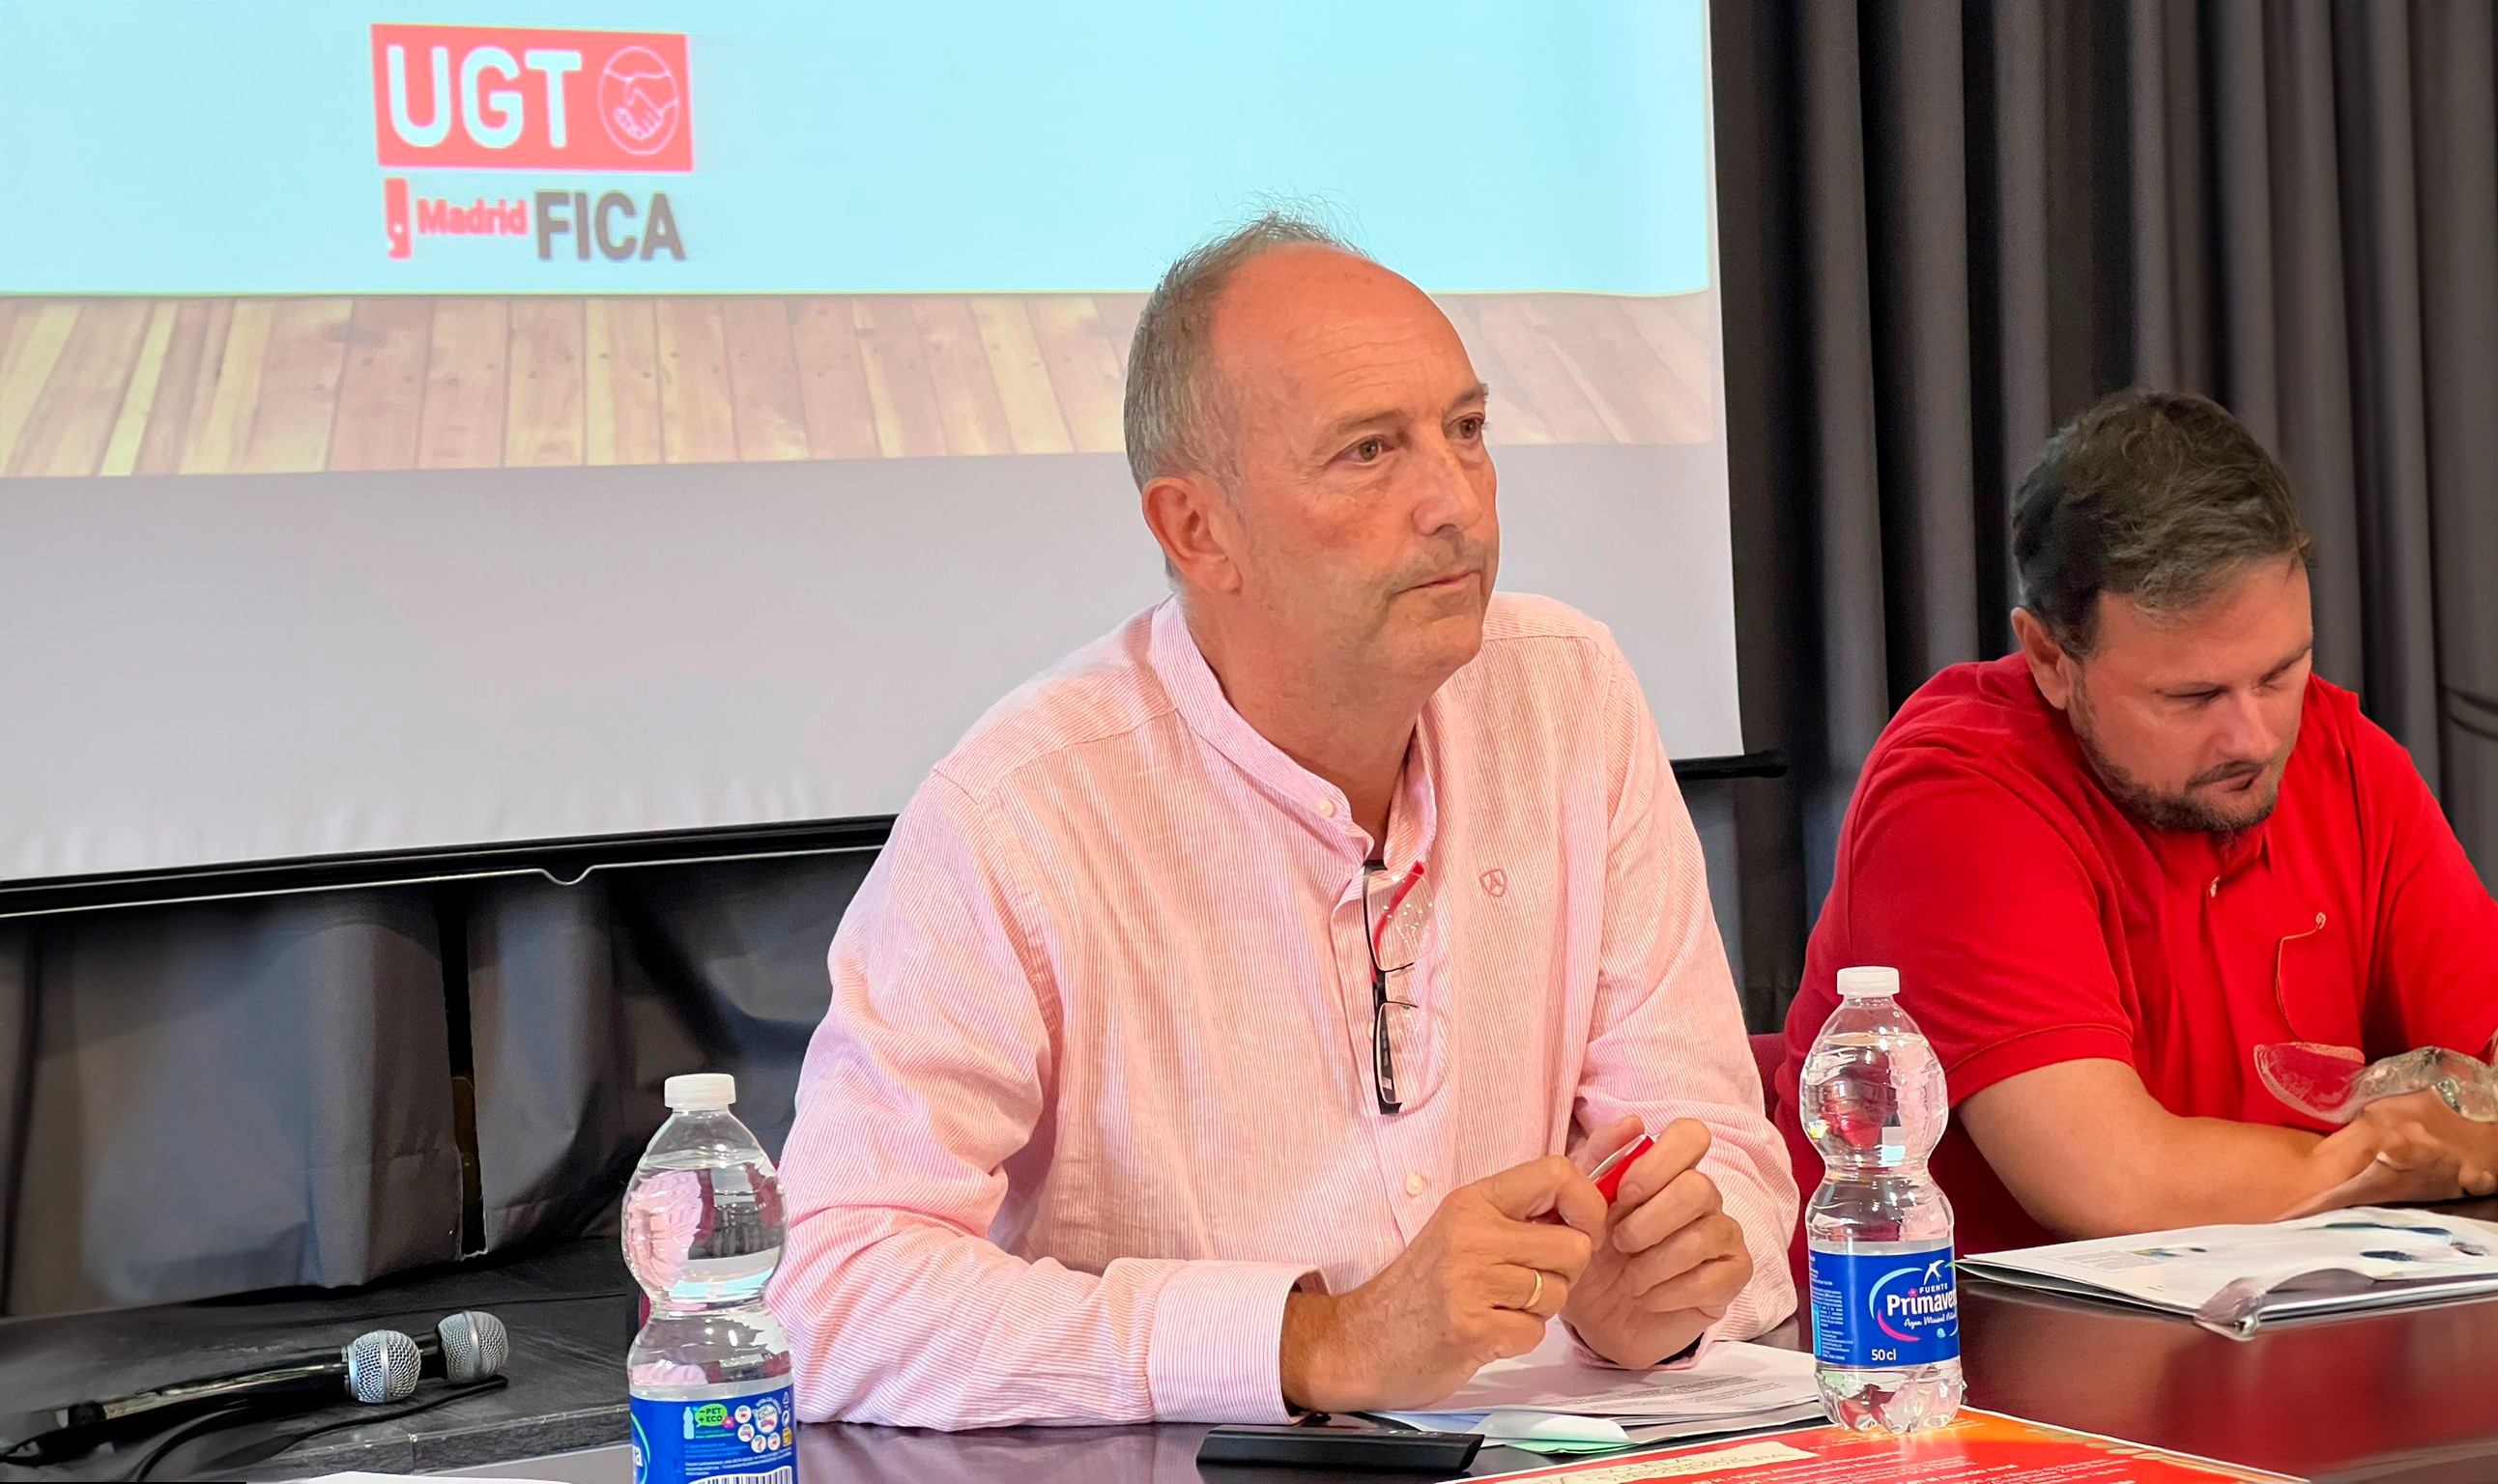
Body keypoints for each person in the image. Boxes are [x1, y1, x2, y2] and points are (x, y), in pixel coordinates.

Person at [767, 214, 1796, 1429]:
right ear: (1196, 530)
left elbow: (1714, 1147)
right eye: (1367, 453)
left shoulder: (1566, 690)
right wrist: (1307, 1341)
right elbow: (825, 1295)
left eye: (1465, 431)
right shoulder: (1020, 811)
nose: (1453, 502)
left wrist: (1664, 1282)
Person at [1774, 388, 2498, 1265]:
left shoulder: (2343, 755)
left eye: (2280, 673)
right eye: (2191, 697)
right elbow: (2114, 1185)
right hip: (1957, 1373)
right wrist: (2408, 1156)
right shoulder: (1954, 793)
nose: (2255, 736)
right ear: (2048, 658)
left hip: (2291, 1338)